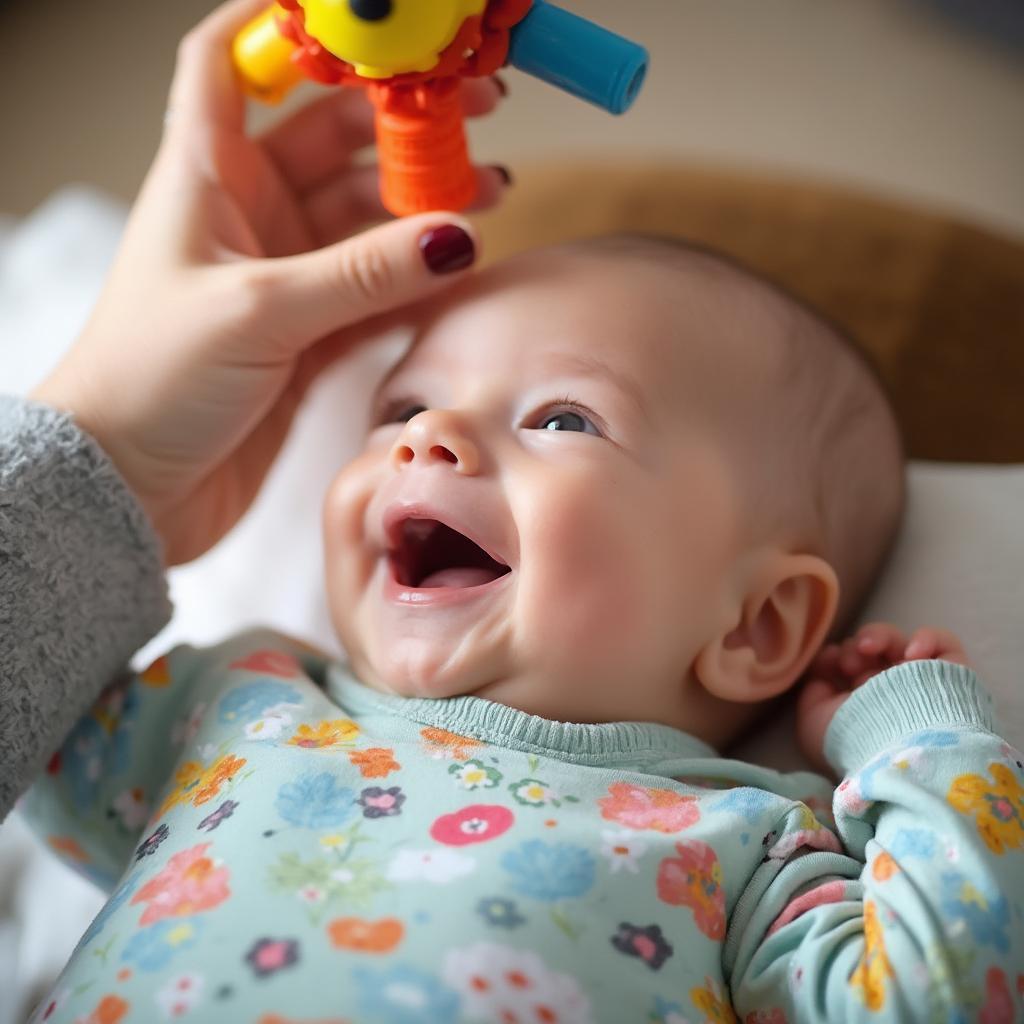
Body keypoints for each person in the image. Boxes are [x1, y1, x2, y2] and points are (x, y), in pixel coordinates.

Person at [2, 4, 1022, 1024]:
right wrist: (111, 469)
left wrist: (924, 750)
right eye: (400, 407)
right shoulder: (235, 699)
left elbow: (935, 999)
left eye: (564, 416)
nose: (427, 435)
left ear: (755, 623)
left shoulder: (746, 843)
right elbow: (28, 705)